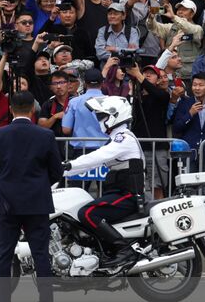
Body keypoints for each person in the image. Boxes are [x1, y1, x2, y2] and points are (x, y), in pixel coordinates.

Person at [0, 91, 64, 302]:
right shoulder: (45, 135)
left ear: (10, 110)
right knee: (41, 255)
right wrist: (39, 185)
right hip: (37, 202)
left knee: (5, 255)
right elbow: (57, 171)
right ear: (32, 110)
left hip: (6, 202)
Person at [62, 96, 151, 267]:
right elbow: (91, 162)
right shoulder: (116, 138)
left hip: (128, 196)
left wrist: (69, 165)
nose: (99, 120)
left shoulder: (124, 138)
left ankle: (124, 249)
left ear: (114, 115)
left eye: (102, 116)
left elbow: (97, 157)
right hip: (120, 194)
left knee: (87, 213)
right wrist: (63, 171)